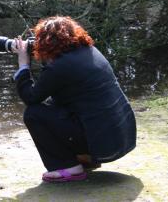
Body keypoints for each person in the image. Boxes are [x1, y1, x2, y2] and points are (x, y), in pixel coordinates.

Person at [12, 16, 136, 182]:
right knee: (53, 105)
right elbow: (55, 87)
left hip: (104, 145)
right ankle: (85, 159)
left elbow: (31, 96)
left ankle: (69, 168)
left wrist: (23, 65)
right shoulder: (89, 51)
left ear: (47, 43)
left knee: (34, 114)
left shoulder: (60, 67)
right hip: (121, 138)